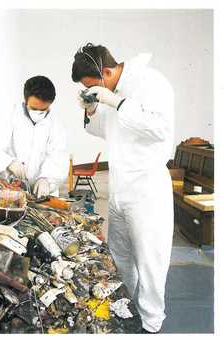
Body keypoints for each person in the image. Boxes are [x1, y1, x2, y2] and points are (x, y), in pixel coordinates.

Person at [71, 43, 174, 333]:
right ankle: (123, 309)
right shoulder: (113, 92)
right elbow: (105, 130)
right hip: (120, 189)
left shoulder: (152, 83)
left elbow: (161, 130)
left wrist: (117, 103)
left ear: (106, 71)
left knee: (151, 262)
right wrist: (91, 109)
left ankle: (151, 324)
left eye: (93, 87)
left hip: (147, 191)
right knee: (120, 258)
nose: (94, 92)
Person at [0, 75, 69, 198]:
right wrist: (9, 163)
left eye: (44, 109)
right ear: (25, 101)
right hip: (6, 189)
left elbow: (58, 157)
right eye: (34, 108)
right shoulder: (7, 115)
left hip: (39, 194)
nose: (38, 113)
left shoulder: (56, 126)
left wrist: (47, 179)